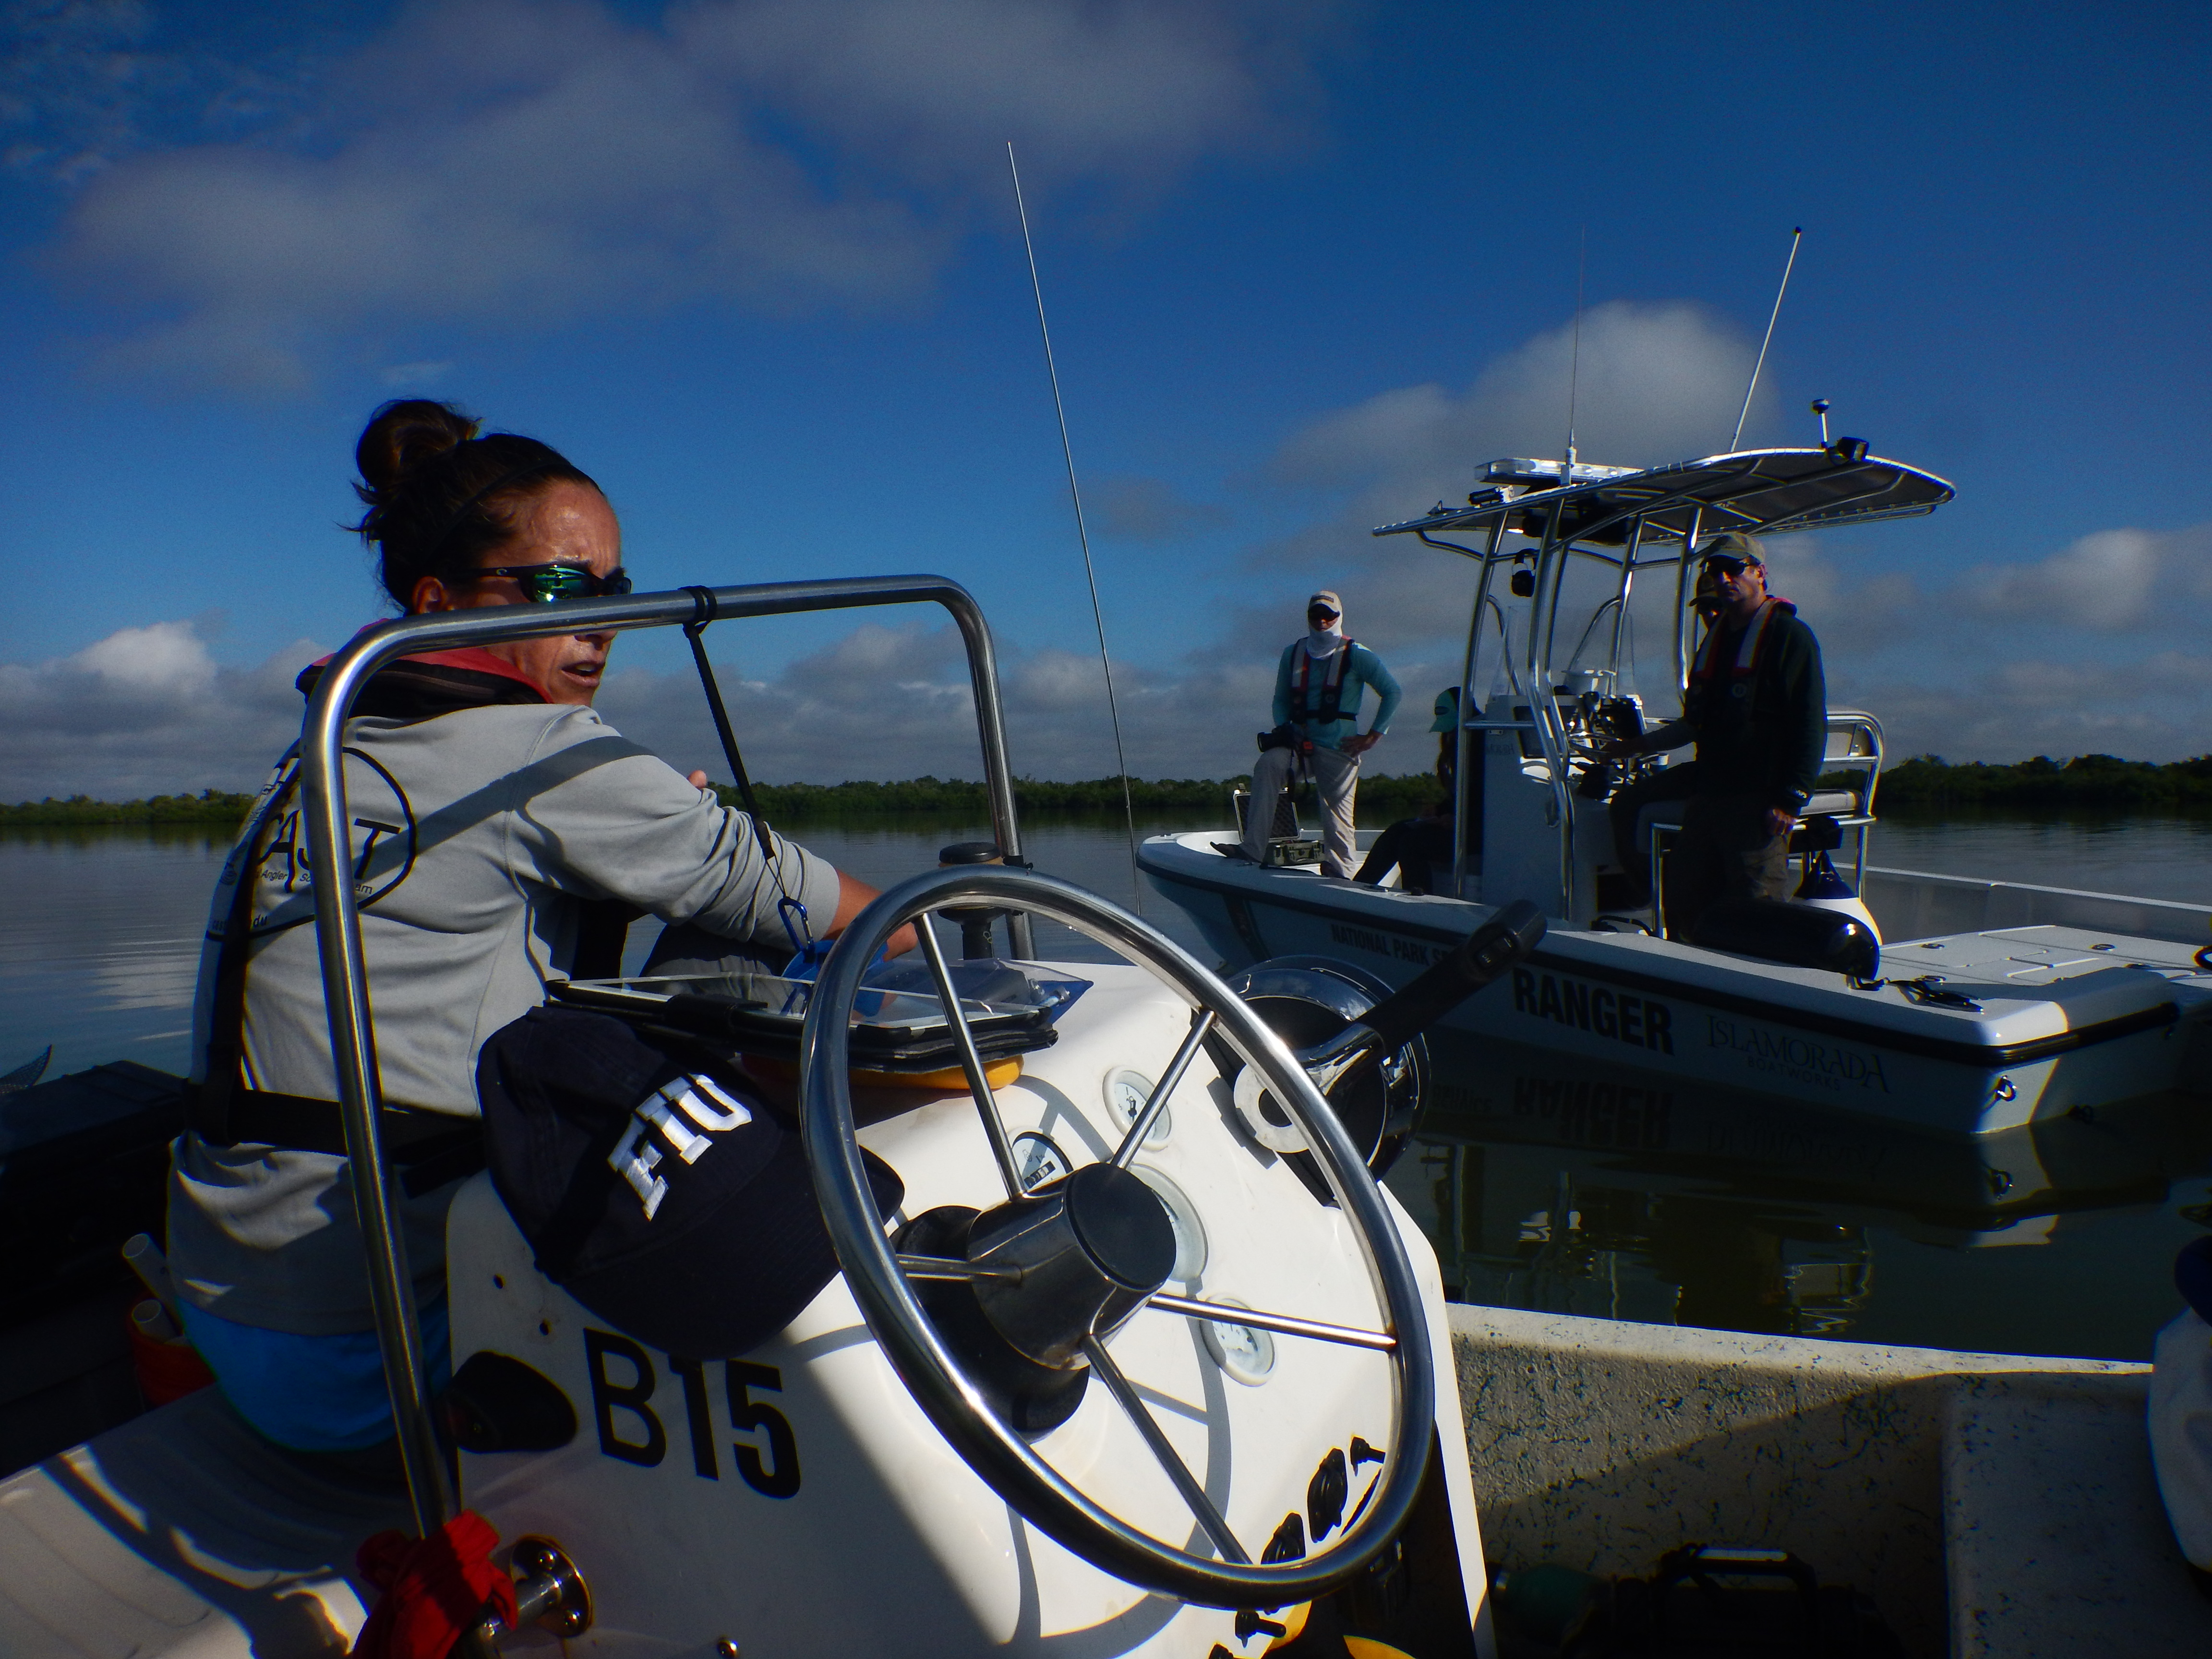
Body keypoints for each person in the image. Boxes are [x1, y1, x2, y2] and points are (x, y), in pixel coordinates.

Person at [168, 399, 910, 1467]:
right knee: (770, 954)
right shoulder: (545, 753)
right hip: (379, 1352)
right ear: (440, 604)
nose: (601, 619)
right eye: (561, 588)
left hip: (237, 1307)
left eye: (614, 589)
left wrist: (647, 859)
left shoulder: (330, 750)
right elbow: (858, 923)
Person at [1602, 533, 1825, 938]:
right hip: (1710, 791)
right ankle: (1685, 963)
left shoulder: (1790, 637)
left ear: (1759, 573)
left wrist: (1791, 797)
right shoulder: (1717, 642)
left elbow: (1809, 722)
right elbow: (1695, 723)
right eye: (1715, 571)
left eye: (1734, 569)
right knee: (1684, 896)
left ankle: (1763, 987)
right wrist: (1635, 746)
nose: (1723, 578)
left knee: (1758, 907)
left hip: (1758, 795)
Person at [1237, 590, 1401, 878]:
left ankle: (1342, 873)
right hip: (1298, 745)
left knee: (1336, 815)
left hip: (1340, 746)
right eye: (1316, 615)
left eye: (1329, 615)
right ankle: (1251, 849)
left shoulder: (1357, 654)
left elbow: (1392, 692)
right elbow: (1281, 699)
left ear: (1339, 617)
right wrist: (1284, 728)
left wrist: (1372, 737)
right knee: (1269, 764)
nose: (1322, 621)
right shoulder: (1293, 653)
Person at [1354, 687, 1467, 893]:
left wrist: (1454, 819)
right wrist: (1441, 811)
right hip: (1462, 825)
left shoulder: (1478, 749)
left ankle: (1417, 901)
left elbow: (1481, 801)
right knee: (1398, 830)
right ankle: (1357, 887)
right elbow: (1462, 798)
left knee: (1412, 843)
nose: (1447, 734)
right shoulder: (1460, 747)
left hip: (1474, 834)